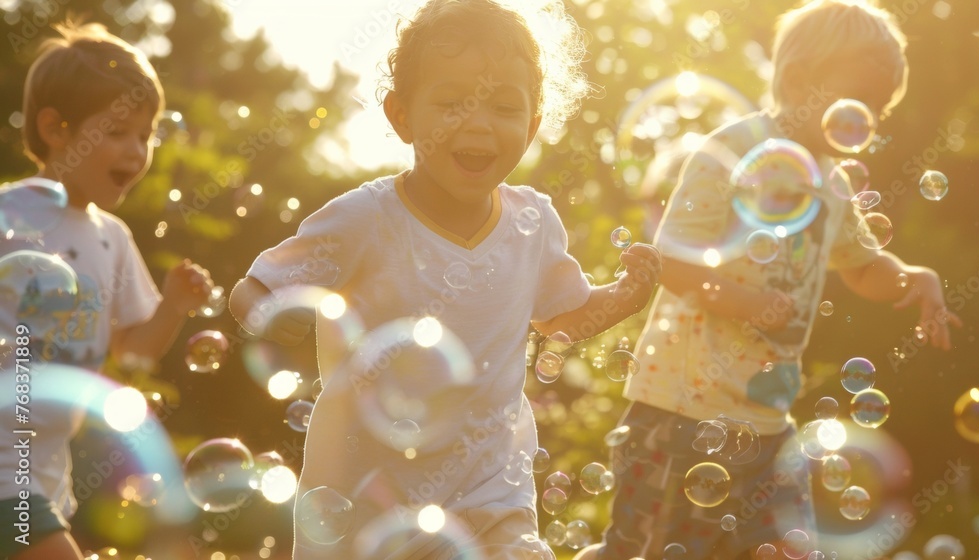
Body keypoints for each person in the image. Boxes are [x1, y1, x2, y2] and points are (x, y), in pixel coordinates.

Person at [229, 1, 661, 557]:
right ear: (401, 115)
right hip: (364, 505)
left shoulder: (533, 223)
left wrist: (624, 297)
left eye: (504, 106)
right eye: (453, 102)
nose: (478, 123)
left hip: (492, 499)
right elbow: (256, 288)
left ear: (532, 126)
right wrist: (270, 317)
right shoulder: (366, 218)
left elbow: (560, 319)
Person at [576, 1, 962, 558]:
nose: (870, 121)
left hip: (766, 421)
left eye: (879, 109)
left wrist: (914, 278)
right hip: (682, 409)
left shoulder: (831, 184)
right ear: (802, 79)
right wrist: (748, 303)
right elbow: (672, 262)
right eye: (860, 101)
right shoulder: (732, 150)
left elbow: (862, 266)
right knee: (652, 548)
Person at [0, 22, 213, 560]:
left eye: (146, 134)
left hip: (47, 473)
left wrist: (175, 307)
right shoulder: (9, 216)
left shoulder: (112, 238)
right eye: (117, 131)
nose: (137, 150)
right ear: (55, 129)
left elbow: (132, 350)